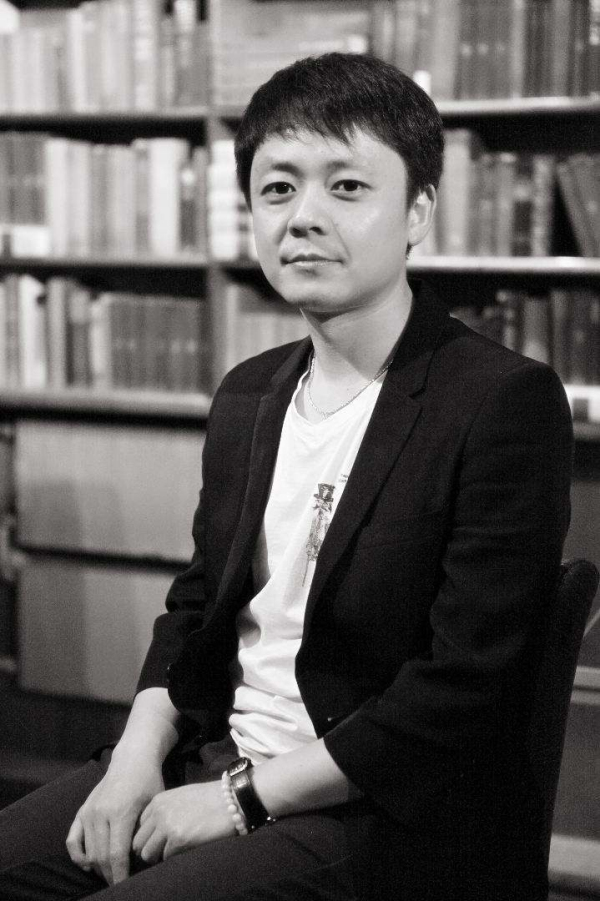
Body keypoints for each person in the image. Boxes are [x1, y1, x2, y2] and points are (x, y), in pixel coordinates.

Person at [0, 52, 573, 901]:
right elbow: (196, 606)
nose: (304, 216)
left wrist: (240, 800)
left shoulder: (499, 402)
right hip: (216, 753)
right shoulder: (250, 393)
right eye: (277, 189)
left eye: (347, 187)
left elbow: (461, 689)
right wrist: (132, 759)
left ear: (417, 211)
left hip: (377, 809)